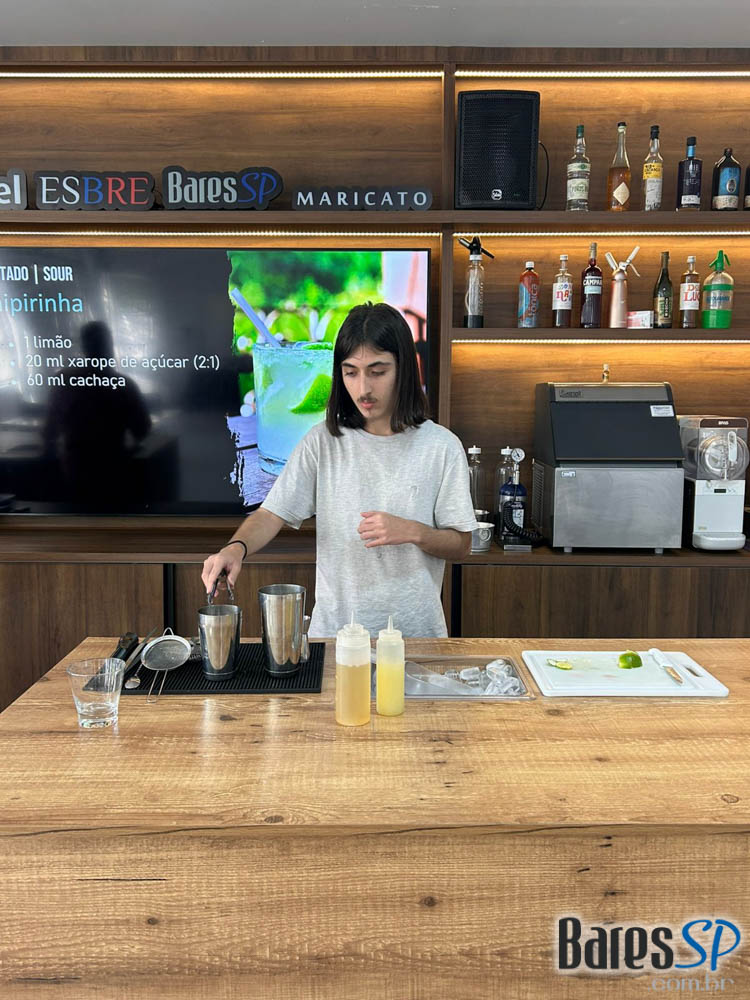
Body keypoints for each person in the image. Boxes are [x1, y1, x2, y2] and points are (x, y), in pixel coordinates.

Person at [202, 302, 479, 637]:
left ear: (404, 369)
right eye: (351, 372)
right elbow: (272, 514)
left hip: (416, 638)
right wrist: (236, 547)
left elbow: (462, 544)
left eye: (377, 372)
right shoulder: (322, 441)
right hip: (336, 639)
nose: (363, 389)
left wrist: (414, 531)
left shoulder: (442, 446)